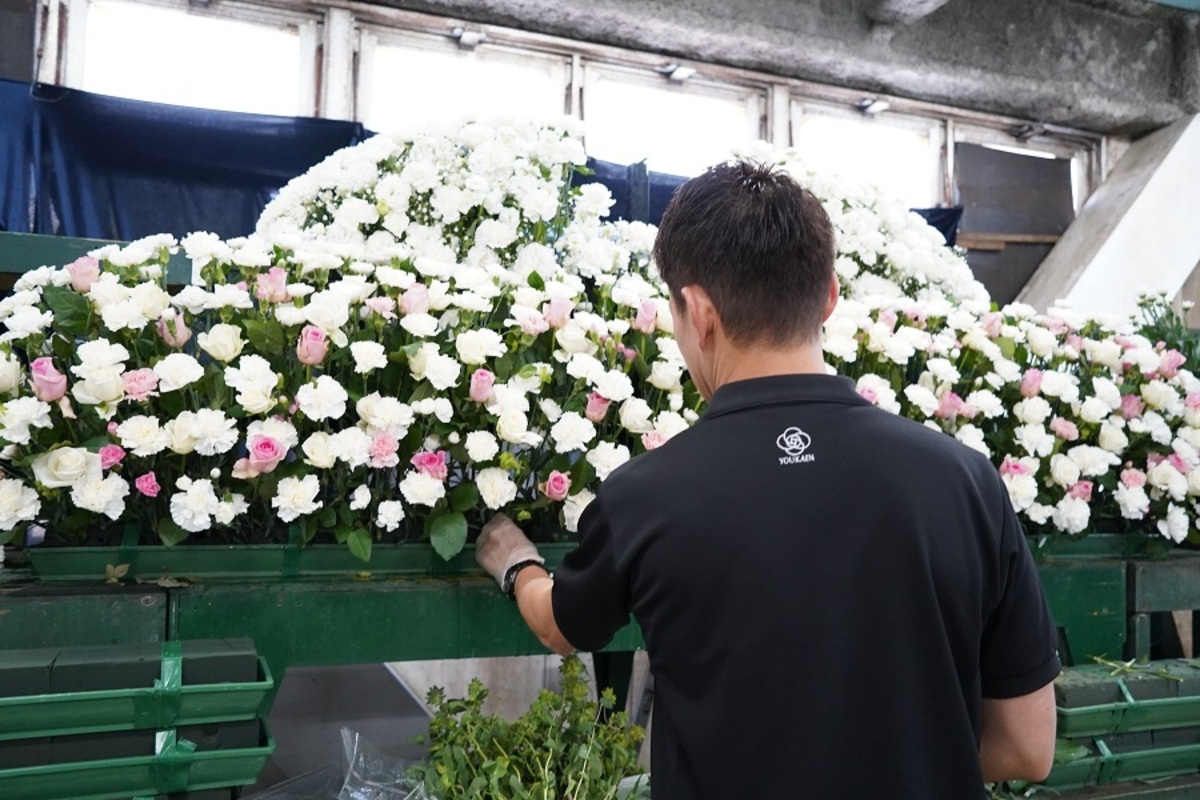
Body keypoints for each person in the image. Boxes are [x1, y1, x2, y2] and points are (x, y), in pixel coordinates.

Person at [476, 160, 1060, 798]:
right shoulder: (965, 482)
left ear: (699, 314)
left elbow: (560, 624)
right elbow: (1026, 748)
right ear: (829, 296)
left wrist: (515, 562)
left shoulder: (646, 498)